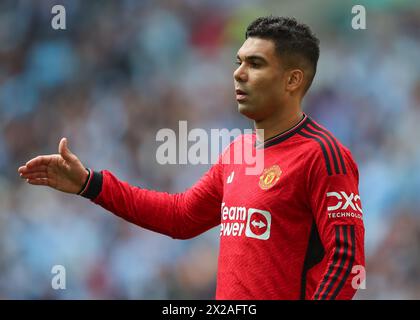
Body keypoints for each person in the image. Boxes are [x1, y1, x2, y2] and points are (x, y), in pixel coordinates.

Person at [18, 16, 365, 300]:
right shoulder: (239, 151)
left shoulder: (324, 156)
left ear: (293, 80)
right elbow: (181, 216)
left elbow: (346, 261)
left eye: (255, 64)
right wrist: (90, 184)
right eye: (239, 61)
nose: (238, 73)